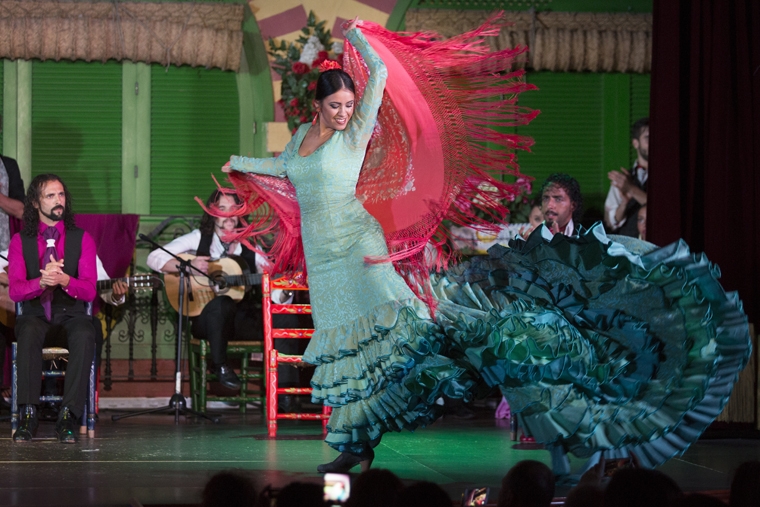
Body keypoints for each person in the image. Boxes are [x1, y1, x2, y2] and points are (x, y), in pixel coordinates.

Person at [220, 18, 750, 478]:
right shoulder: (300, 142)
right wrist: (240, 163)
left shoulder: (353, 133)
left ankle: (481, 383)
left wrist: (364, 40)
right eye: (334, 106)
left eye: (347, 106)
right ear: (316, 106)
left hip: (359, 249)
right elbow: (283, 169)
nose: (342, 113)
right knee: (357, 357)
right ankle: (353, 447)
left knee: (405, 341)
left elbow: (377, 80)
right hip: (326, 263)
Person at [146, 189, 293, 391]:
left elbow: (275, 291)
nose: (228, 216)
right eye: (221, 209)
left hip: (240, 321)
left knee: (285, 318)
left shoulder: (251, 245)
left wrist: (286, 288)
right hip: (206, 319)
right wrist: (187, 266)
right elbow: (154, 258)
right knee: (222, 303)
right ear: (212, 214)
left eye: (233, 210)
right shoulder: (198, 238)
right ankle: (220, 366)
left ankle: (285, 391)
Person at [7, 174, 97, 443]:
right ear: (35, 202)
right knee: (29, 330)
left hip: (71, 314)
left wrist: (65, 280)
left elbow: (90, 290)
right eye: (50, 196)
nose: (59, 201)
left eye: (61, 195)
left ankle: (69, 415)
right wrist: (41, 282)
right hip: (36, 314)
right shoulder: (20, 241)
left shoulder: (82, 239)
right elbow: (15, 290)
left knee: (85, 331)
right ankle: (28, 414)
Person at [604, 118, 648, 237]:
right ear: (636, 143)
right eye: (647, 138)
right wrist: (624, 203)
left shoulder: (665, 177)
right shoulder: (623, 179)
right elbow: (610, 222)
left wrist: (631, 189)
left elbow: (663, 211)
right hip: (627, 246)